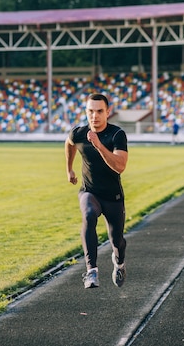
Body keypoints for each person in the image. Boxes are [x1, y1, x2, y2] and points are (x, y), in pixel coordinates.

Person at [65, 93, 129, 289]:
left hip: (113, 197)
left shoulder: (117, 135)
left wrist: (98, 144)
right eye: (90, 111)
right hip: (89, 191)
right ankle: (91, 271)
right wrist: (69, 169)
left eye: (99, 111)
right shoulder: (78, 133)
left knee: (116, 240)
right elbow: (69, 143)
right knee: (89, 215)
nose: (95, 116)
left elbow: (120, 166)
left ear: (107, 112)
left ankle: (119, 263)